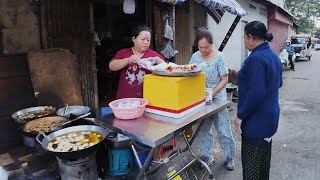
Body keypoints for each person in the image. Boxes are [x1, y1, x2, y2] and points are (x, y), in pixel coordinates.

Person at [234, 21, 282, 180]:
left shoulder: (255, 59)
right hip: (270, 119)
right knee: (263, 166)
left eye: (244, 38)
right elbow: (278, 83)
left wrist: (240, 116)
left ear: (252, 38)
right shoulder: (273, 55)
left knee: (252, 169)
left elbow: (257, 93)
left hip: (256, 122)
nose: (244, 41)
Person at [189, 27, 236, 170]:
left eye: (206, 47)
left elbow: (224, 79)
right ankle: (207, 155)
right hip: (200, 99)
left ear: (212, 44)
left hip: (218, 99)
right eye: (200, 47)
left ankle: (229, 156)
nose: (203, 50)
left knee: (223, 129)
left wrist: (212, 93)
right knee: (202, 129)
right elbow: (190, 73)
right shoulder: (195, 56)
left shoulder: (219, 57)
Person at [109, 25, 165, 99]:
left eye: (148, 40)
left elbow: (168, 70)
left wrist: (161, 62)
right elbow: (112, 66)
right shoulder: (124, 53)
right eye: (143, 39)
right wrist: (127, 60)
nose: (146, 42)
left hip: (147, 98)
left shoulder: (153, 55)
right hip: (125, 98)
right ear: (134, 39)